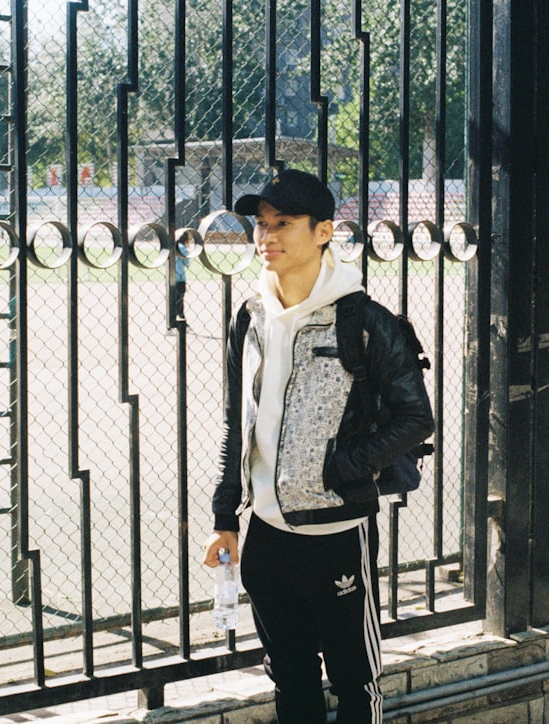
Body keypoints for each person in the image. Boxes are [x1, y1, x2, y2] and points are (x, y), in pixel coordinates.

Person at [202, 169, 435, 723]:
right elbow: (240, 421)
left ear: (325, 231)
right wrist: (224, 516)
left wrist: (342, 468)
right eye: (261, 225)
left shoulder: (364, 322)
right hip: (267, 538)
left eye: (283, 224)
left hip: (335, 536)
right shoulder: (251, 316)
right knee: (292, 681)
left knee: (356, 685)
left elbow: (415, 418)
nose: (267, 238)